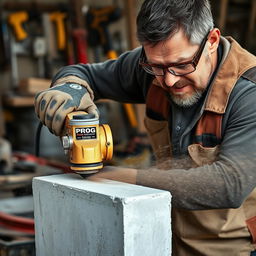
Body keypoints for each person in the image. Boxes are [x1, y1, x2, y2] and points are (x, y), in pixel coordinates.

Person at [34, 0, 256, 255]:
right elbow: (83, 73)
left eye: (182, 65)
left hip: (230, 247)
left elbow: (229, 185)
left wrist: (121, 179)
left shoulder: (249, 92)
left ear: (213, 41)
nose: (169, 80)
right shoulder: (150, 67)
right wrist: (70, 88)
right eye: (157, 67)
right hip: (163, 237)